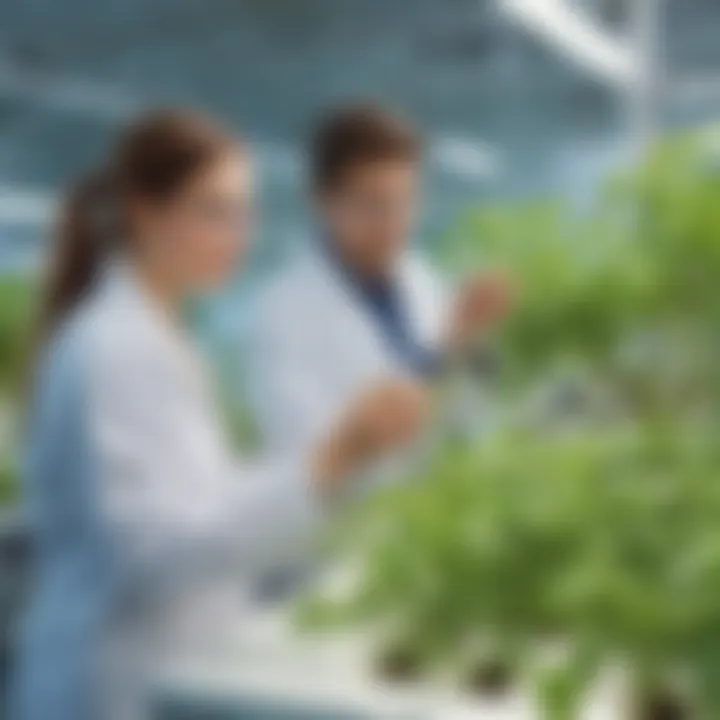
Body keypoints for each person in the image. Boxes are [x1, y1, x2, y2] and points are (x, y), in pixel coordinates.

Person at [10, 110, 429, 720]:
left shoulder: (162, 337)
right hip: (108, 685)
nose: (241, 234)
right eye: (216, 211)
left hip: (167, 665)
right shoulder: (112, 350)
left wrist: (333, 465)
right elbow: (154, 555)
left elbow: (203, 500)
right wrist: (330, 459)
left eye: (245, 212)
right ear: (144, 212)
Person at [249, 104, 510, 455]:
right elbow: (319, 458)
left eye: (405, 201)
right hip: (358, 509)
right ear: (322, 200)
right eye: (372, 204)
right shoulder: (282, 316)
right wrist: (447, 353)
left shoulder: (419, 277)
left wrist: (474, 348)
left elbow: (465, 421)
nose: (393, 223)